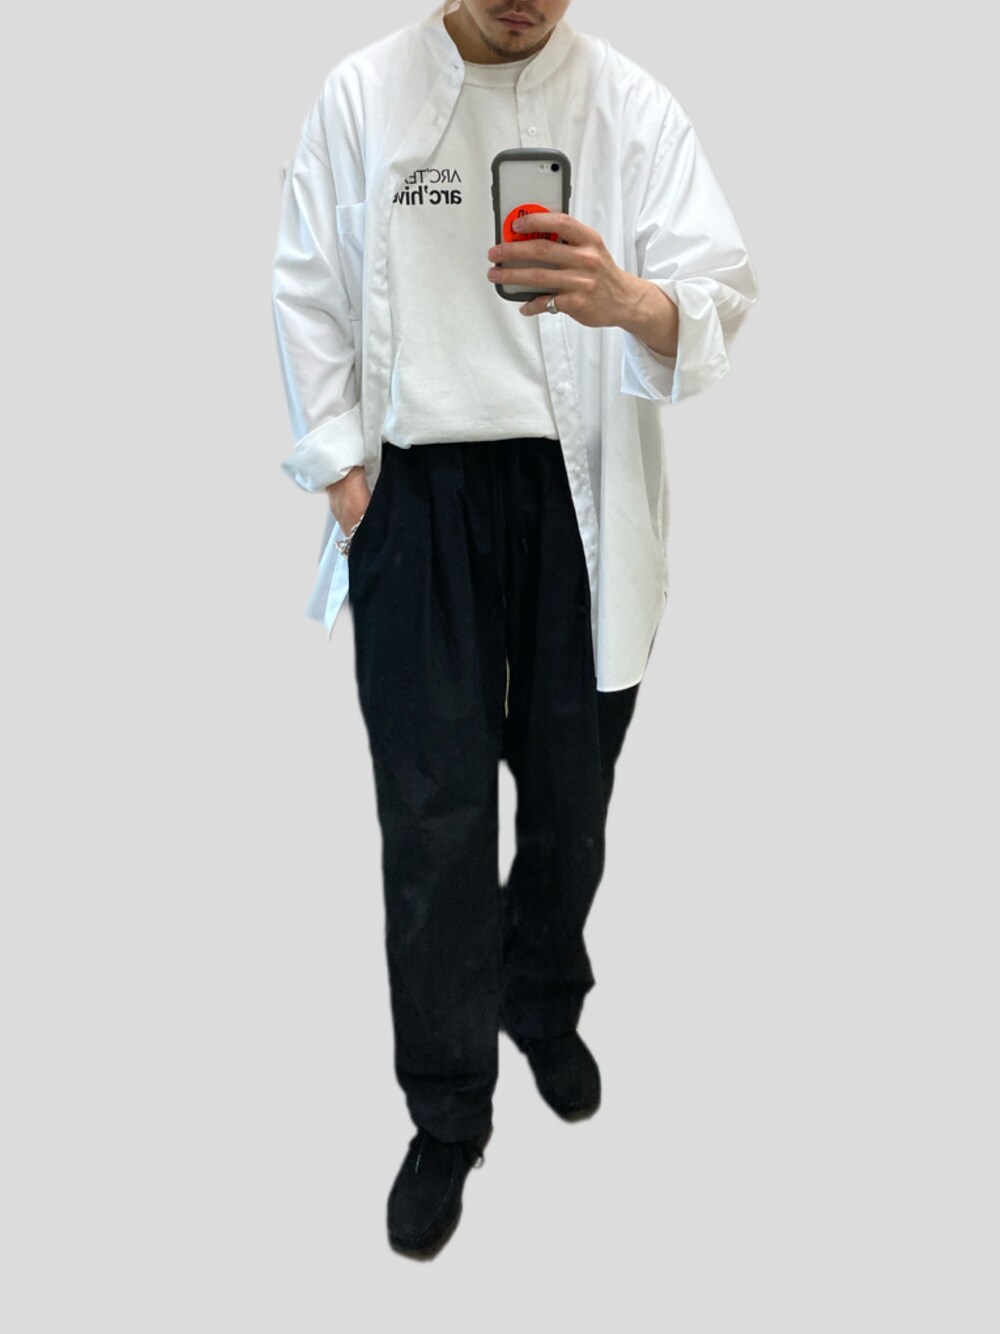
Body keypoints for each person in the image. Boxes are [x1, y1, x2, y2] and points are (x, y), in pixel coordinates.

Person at [272, 0, 758, 1258]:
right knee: (432, 819)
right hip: (419, 498)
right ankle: (447, 1108)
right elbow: (307, 284)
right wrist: (346, 478)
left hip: (574, 496)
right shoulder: (362, 96)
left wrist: (628, 299)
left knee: (570, 795)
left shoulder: (631, 108)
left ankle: (539, 996)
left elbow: (720, 293)